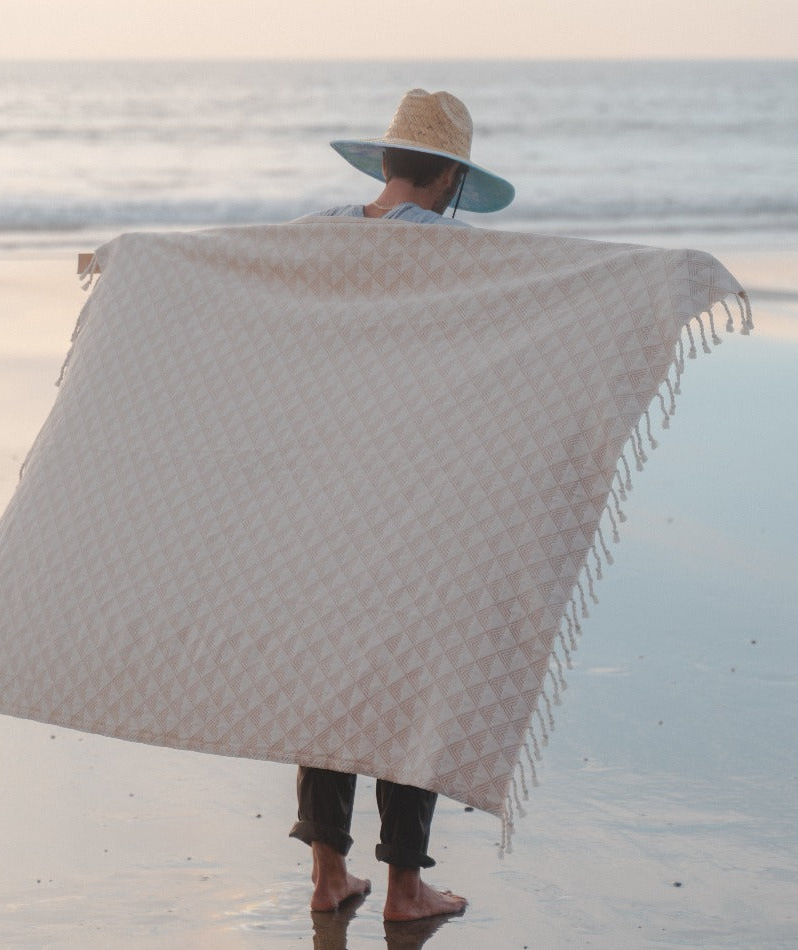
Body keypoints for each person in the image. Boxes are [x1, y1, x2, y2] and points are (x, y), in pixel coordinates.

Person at [290, 88, 516, 921]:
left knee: (329, 681)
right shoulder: (462, 258)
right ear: (452, 176)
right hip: (420, 500)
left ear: (383, 164)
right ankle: (406, 890)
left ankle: (326, 877)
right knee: (409, 687)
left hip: (316, 496)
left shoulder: (311, 239)